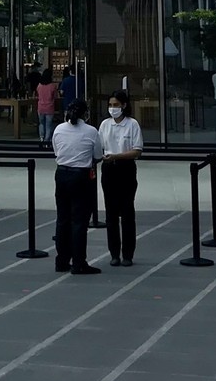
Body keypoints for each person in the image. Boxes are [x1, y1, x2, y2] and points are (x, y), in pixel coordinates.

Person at [50, 99, 104, 275]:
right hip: (81, 175)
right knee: (79, 221)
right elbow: (97, 155)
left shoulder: (59, 129)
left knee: (62, 218)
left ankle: (62, 260)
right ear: (85, 114)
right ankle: (79, 261)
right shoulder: (91, 131)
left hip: (62, 173)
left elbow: (57, 151)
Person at [98, 92, 143, 267]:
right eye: (110, 105)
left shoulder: (132, 124)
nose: (113, 108)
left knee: (127, 212)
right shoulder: (104, 124)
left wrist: (117, 155)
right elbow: (99, 146)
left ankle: (128, 254)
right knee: (111, 213)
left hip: (126, 169)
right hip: (109, 169)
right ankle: (114, 253)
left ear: (124, 105)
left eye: (116, 105)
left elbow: (137, 151)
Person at [35, 70, 59, 144]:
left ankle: (41, 137)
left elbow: (37, 95)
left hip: (40, 107)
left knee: (41, 123)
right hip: (49, 107)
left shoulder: (39, 86)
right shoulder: (53, 86)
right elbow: (55, 96)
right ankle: (47, 140)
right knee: (48, 125)